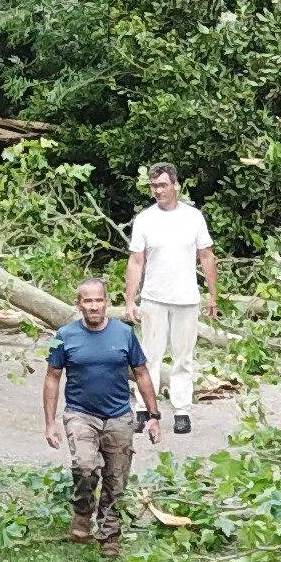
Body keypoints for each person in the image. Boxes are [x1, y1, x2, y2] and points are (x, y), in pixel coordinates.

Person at [40, 272, 160, 547]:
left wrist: (153, 416)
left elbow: (141, 373)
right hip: (81, 414)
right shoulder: (65, 335)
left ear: (107, 302)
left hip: (119, 415)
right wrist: (50, 423)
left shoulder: (124, 333)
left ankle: (109, 534)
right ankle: (83, 512)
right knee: (84, 467)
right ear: (79, 304)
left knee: (116, 481)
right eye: (88, 301)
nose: (93, 306)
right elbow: (52, 378)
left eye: (99, 300)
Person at [123, 161, 216, 440]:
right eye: (153, 186)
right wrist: (130, 299)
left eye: (162, 185)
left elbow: (207, 255)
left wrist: (213, 295)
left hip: (186, 298)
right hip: (154, 297)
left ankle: (182, 411)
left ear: (175, 185)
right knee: (149, 355)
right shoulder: (145, 219)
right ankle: (144, 408)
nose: (158, 190)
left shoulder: (193, 217)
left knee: (183, 357)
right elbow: (136, 260)